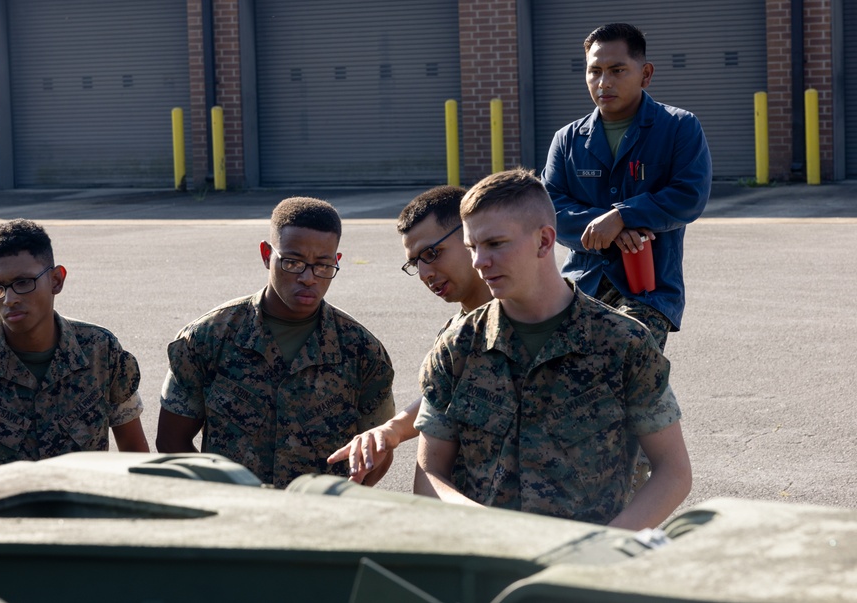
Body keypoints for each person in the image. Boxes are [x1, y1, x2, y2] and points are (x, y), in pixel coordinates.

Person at [414, 169, 691, 530]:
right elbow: (429, 474)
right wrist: (486, 527)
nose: (479, 262)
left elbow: (673, 471)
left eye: (495, 244)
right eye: (472, 247)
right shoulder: (458, 346)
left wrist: (602, 546)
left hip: (586, 571)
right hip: (485, 564)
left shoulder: (622, 343)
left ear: (544, 242)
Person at [156, 196, 395, 488]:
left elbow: (378, 452)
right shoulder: (207, 338)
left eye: (323, 265)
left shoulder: (362, 351)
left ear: (336, 261)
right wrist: (218, 497)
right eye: (292, 262)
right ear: (266, 254)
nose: (309, 278)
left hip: (322, 523)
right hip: (234, 520)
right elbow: (171, 440)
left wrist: (338, 504)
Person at [0, 219, 149, 483]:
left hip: (82, 519)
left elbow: (134, 454)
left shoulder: (101, 351)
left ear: (56, 280)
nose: (9, 299)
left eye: (23, 282)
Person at [541, 22, 712, 350]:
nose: (604, 82)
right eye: (595, 71)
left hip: (648, 290)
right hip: (582, 285)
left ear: (645, 74)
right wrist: (612, 227)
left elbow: (688, 196)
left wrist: (623, 215)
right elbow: (548, 211)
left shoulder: (678, 127)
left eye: (618, 70)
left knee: (626, 360)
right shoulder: (568, 139)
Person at [327, 185, 492, 484]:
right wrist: (391, 431)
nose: (426, 273)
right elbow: (440, 397)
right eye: (416, 262)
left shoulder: (527, 317)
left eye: (433, 253)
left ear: (471, 237)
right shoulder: (456, 331)